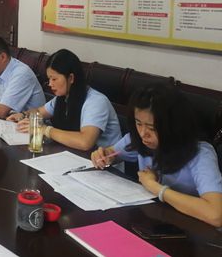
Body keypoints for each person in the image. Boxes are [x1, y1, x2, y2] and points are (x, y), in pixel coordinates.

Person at [91, 84, 222, 227]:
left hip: (192, 228)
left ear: (173, 126)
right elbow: (113, 153)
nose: (143, 133)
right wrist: (105, 155)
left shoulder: (201, 154)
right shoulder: (139, 139)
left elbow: (215, 214)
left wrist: (156, 188)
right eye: (138, 123)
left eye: (152, 127)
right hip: (154, 220)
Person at [8, 48, 121, 150]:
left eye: (54, 79)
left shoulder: (96, 102)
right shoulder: (63, 97)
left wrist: (45, 129)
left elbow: (85, 142)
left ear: (71, 78)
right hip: (73, 156)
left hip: (103, 163)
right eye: (49, 79)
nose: (50, 84)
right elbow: (39, 112)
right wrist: (23, 115)